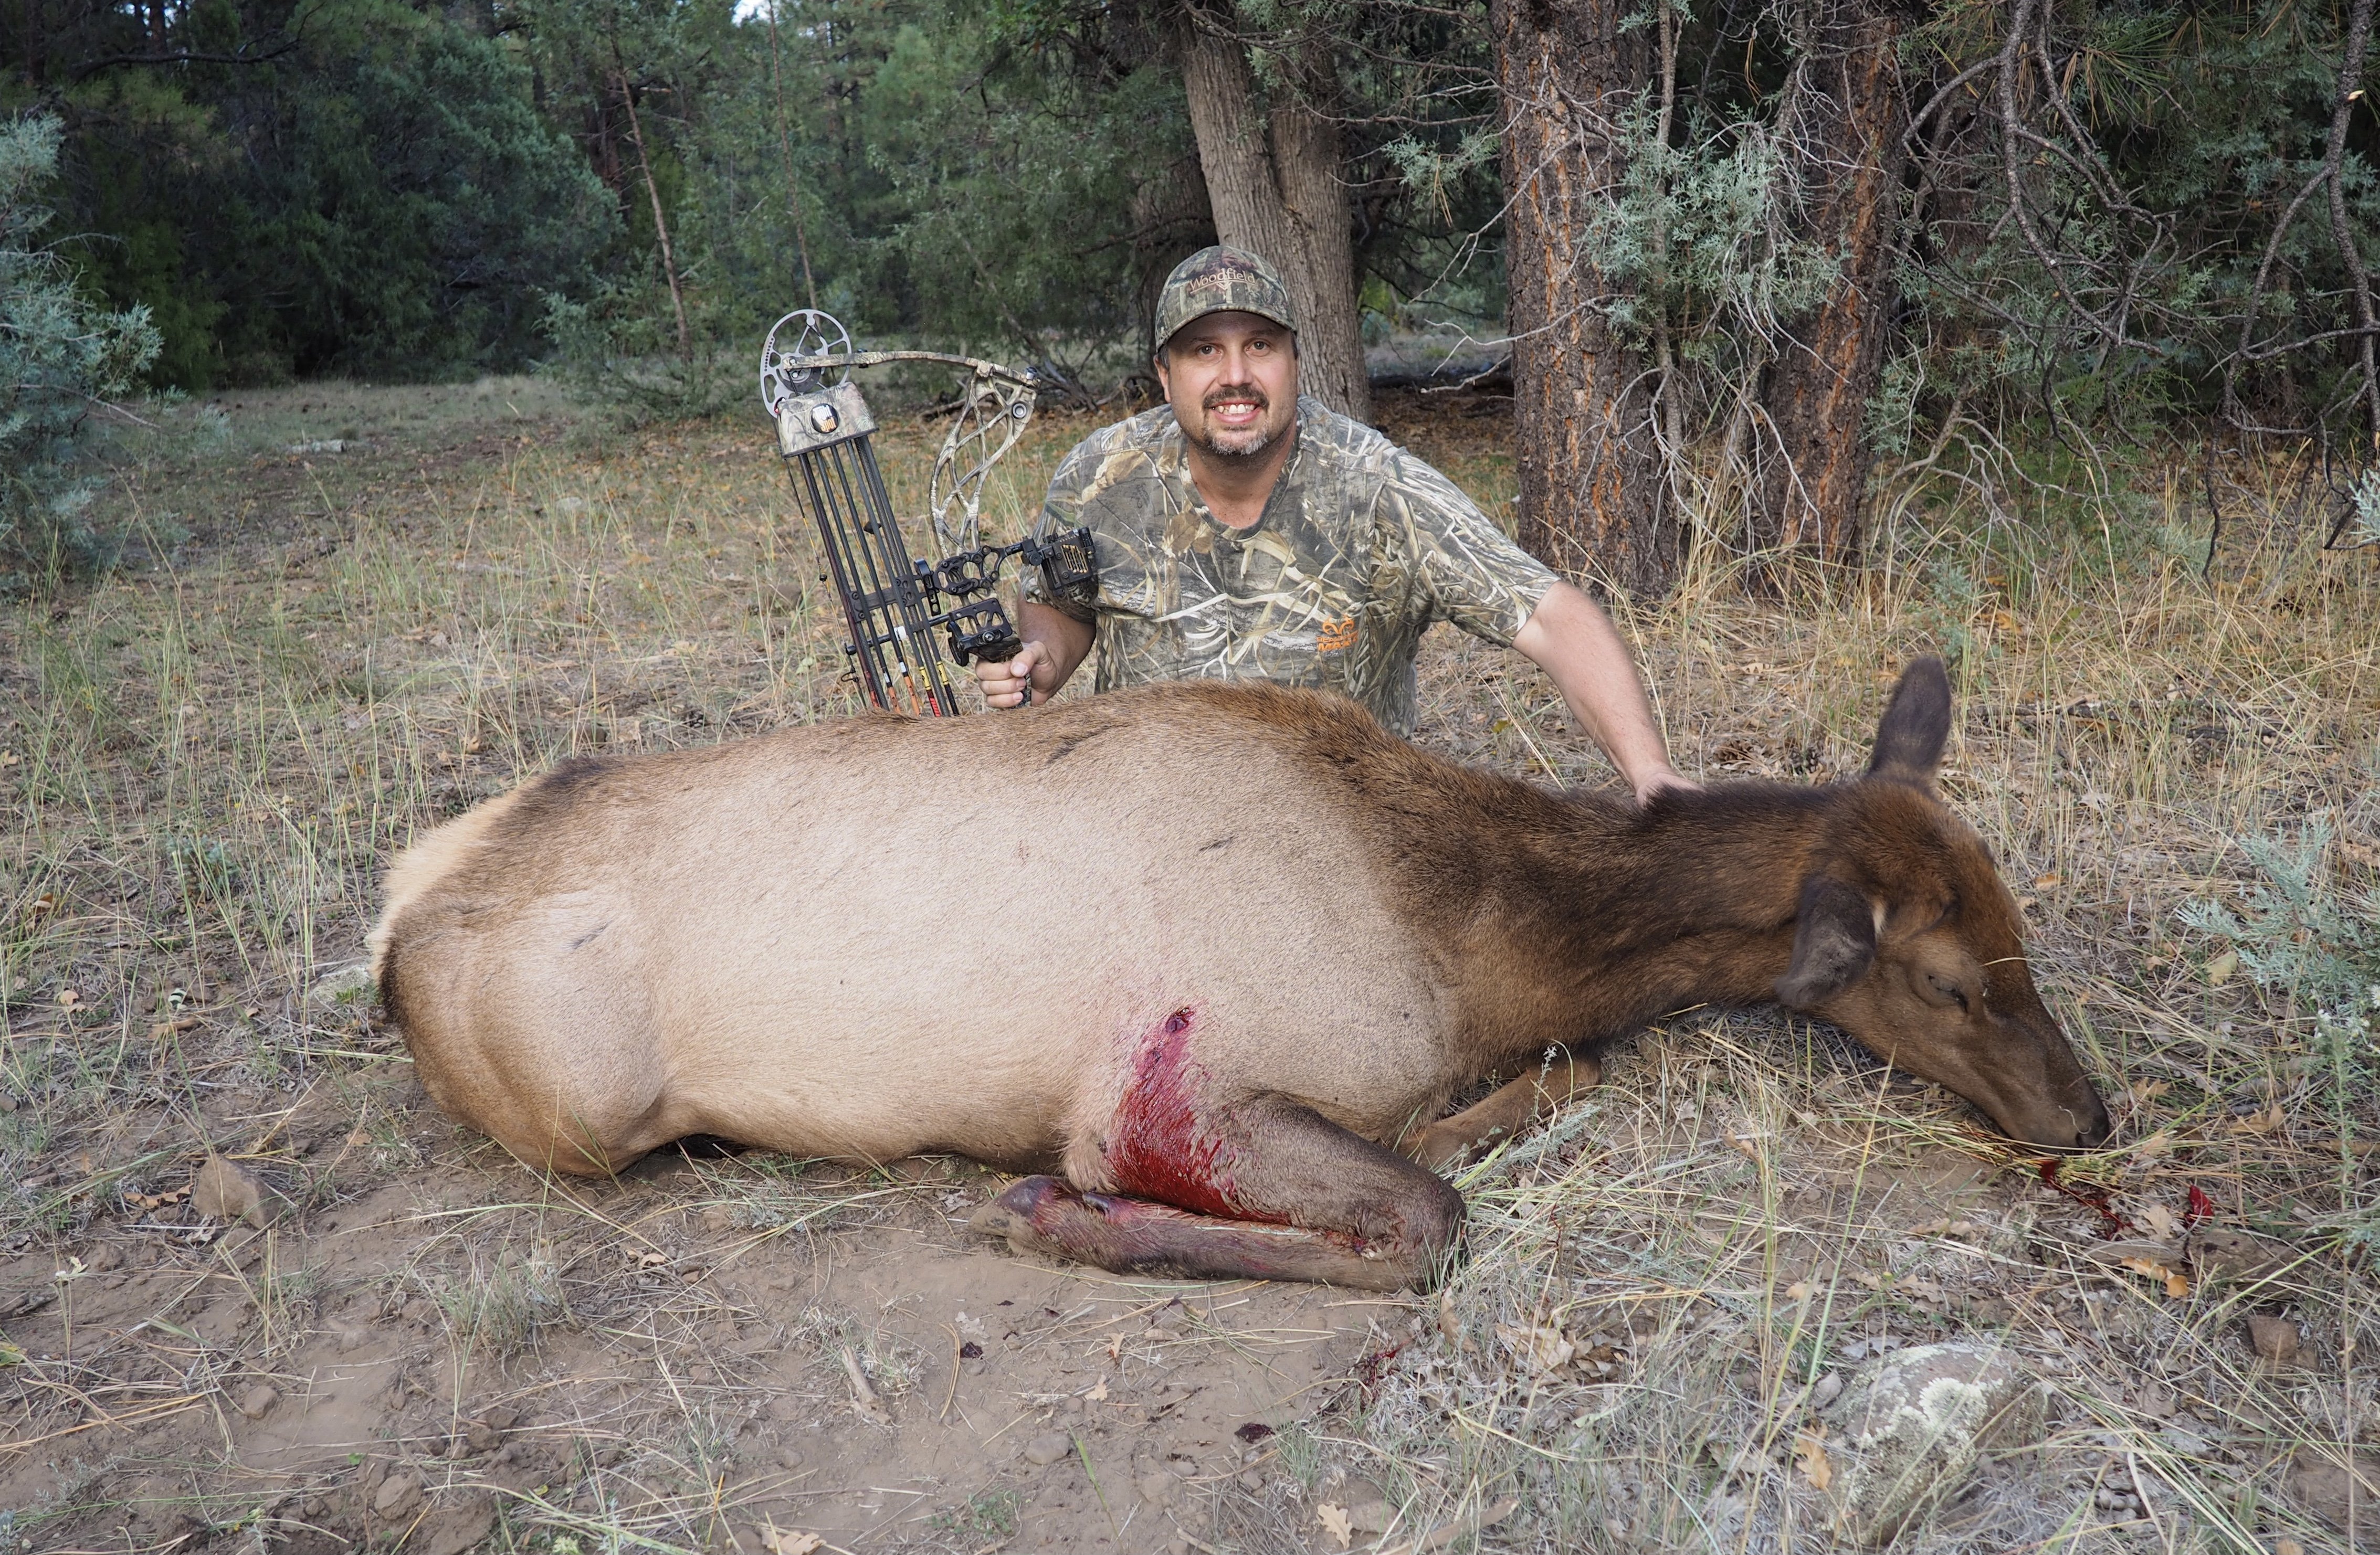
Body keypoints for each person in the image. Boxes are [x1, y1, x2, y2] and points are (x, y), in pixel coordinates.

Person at [974, 245, 1692, 805]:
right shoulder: (1100, 476)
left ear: (1295, 360)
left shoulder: (1379, 486)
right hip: (1142, 816)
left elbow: (1549, 617)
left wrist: (1650, 773)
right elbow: (1060, 605)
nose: (1235, 376)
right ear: (1164, 374)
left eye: (1260, 345)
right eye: (1204, 350)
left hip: (1338, 840)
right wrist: (1042, 661)